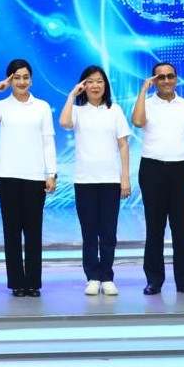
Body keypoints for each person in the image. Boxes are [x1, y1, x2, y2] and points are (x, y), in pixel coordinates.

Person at [0, 59, 56, 297]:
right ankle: (16, 283)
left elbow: (48, 140)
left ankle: (32, 282)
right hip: (8, 176)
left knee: (33, 232)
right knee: (11, 232)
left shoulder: (42, 106)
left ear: (31, 80)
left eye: (25, 77)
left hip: (35, 177)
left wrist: (51, 173)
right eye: (16, 78)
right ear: (10, 80)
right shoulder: (2, 106)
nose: (22, 82)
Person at [131, 61, 184, 296]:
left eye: (170, 76)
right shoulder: (146, 104)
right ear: (154, 81)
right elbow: (138, 122)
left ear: (176, 78)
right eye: (160, 77)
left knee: (182, 229)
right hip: (152, 169)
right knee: (154, 228)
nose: (165, 81)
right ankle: (154, 280)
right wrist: (143, 90)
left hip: (182, 170)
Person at [60, 65, 130, 296]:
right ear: (83, 85)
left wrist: (125, 178)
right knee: (89, 232)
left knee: (108, 232)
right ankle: (92, 276)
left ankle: (107, 276)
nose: (95, 85)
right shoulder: (77, 111)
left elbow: (123, 145)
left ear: (105, 85)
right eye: (90, 81)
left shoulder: (115, 110)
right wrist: (72, 95)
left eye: (99, 81)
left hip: (110, 180)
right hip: (85, 180)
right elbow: (64, 123)